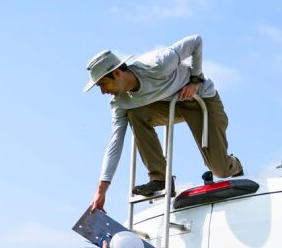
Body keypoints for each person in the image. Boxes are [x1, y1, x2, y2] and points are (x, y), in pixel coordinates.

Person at [84, 34, 242, 211]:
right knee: (135, 113)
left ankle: (234, 164)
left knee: (220, 170)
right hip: (170, 106)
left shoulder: (157, 63)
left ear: (117, 73)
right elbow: (115, 143)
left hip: (201, 100)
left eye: (103, 85)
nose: (103, 92)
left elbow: (196, 41)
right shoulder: (120, 103)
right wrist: (101, 190)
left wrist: (195, 80)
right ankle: (159, 178)